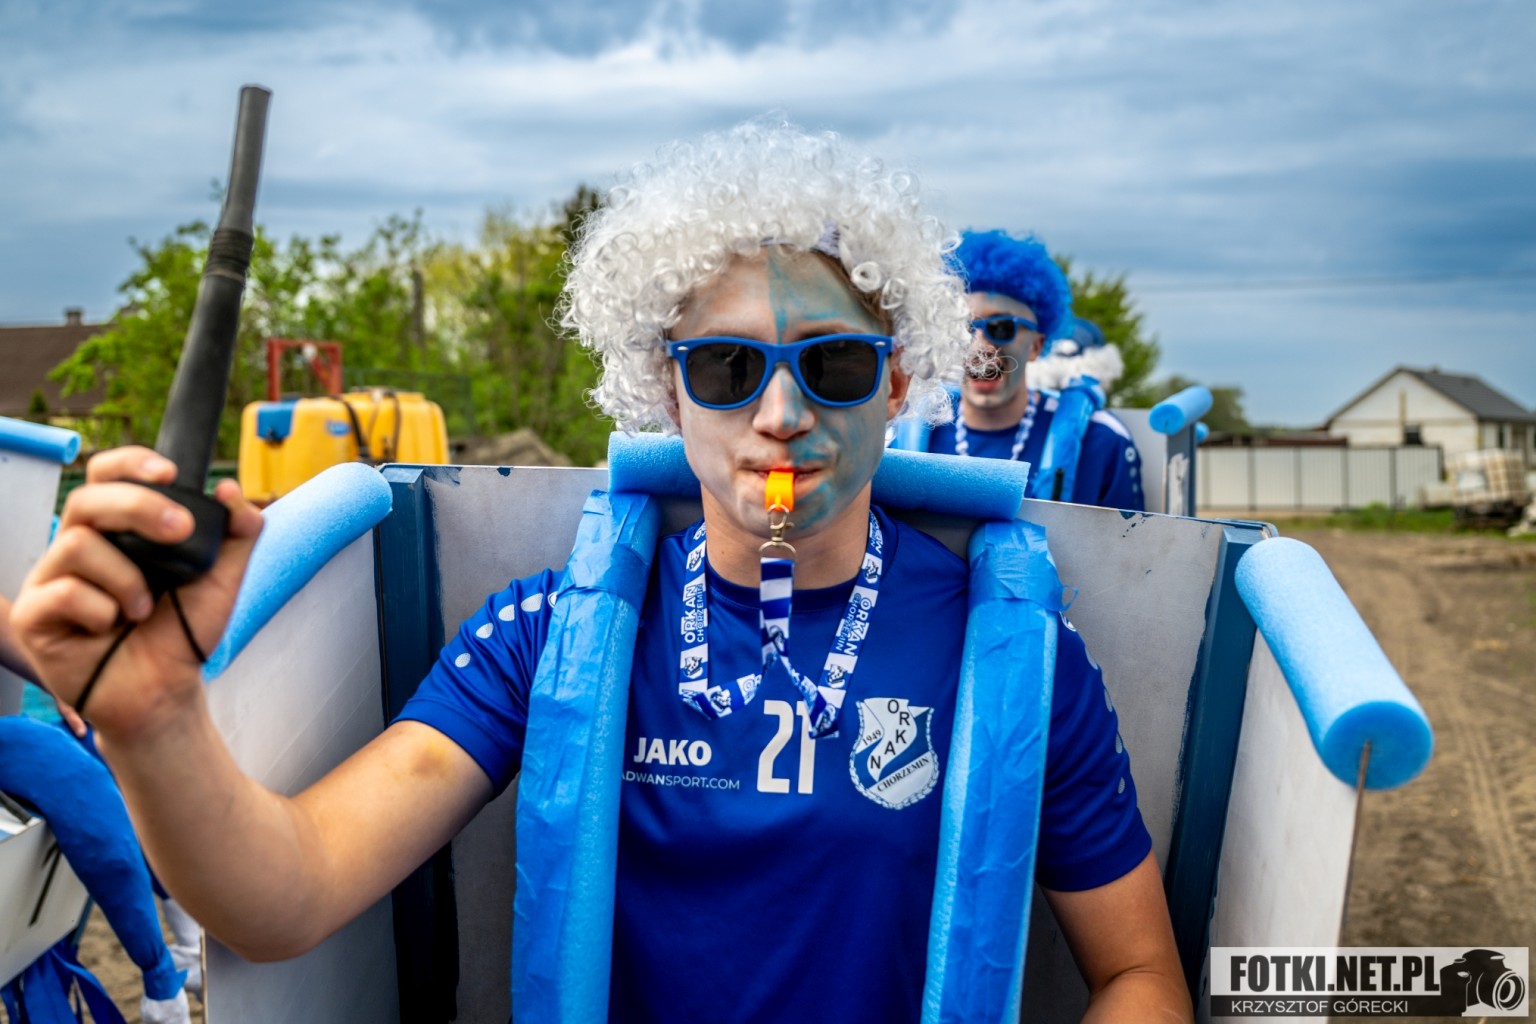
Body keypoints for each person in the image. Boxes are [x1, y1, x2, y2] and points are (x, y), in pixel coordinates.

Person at [12, 122, 1189, 1023]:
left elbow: (1141, 974)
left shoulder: (1016, 659)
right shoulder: (545, 635)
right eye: (726, 368)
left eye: (832, 364)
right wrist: (157, 723)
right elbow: (289, 893)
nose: (781, 413)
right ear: (666, 390)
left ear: (893, 383)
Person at [909, 230, 1145, 510]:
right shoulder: (902, 433)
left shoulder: (1101, 442)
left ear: (1036, 346)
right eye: (964, 326)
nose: (980, 346)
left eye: (1001, 327)